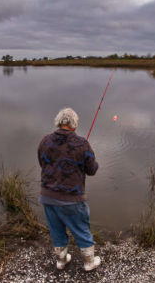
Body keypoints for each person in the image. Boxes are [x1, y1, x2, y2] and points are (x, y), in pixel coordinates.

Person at [37, 107, 101, 271]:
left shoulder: (45, 141)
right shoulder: (82, 143)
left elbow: (42, 163)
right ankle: (89, 263)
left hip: (48, 197)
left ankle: (61, 261)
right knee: (81, 229)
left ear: (59, 123)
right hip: (72, 198)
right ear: (74, 125)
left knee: (56, 230)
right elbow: (92, 170)